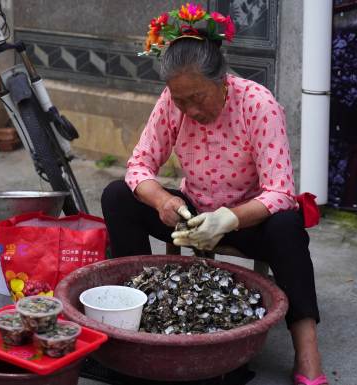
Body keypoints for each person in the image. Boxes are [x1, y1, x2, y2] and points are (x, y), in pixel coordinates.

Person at [101, 4, 327, 385]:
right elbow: (138, 167)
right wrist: (163, 201)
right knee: (116, 196)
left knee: (288, 225)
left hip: (247, 221)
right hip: (191, 218)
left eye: (198, 97)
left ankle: (306, 346)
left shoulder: (258, 104)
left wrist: (230, 218)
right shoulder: (172, 102)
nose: (189, 109)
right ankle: (136, 308)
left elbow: (281, 192)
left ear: (222, 82)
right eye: (180, 99)